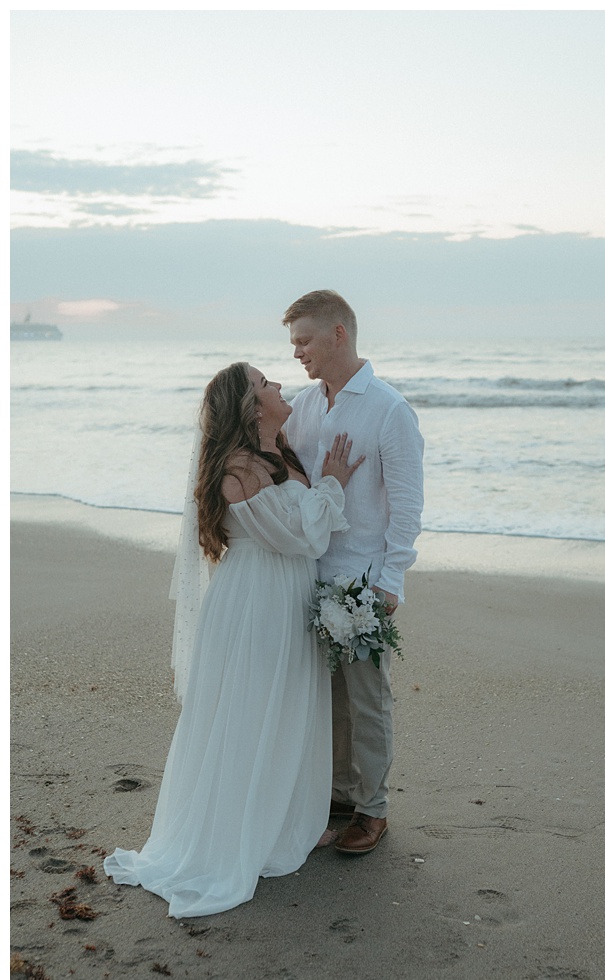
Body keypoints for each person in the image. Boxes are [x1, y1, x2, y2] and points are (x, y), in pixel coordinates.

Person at [104, 361, 363, 918]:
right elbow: (298, 538)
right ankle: (239, 836)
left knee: (288, 707)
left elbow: (299, 533)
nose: (276, 386)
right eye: (265, 384)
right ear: (250, 407)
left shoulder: (281, 454)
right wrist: (334, 483)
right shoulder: (238, 468)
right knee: (249, 712)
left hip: (285, 595)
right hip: (256, 601)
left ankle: (281, 827)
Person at [282, 290, 424, 855]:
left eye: (305, 340)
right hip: (307, 571)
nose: (297, 353)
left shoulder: (390, 409)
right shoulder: (304, 405)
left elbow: (408, 504)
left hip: (363, 579)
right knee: (325, 697)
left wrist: (393, 579)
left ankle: (372, 809)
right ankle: (338, 795)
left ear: (339, 334)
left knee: (367, 697)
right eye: (294, 342)